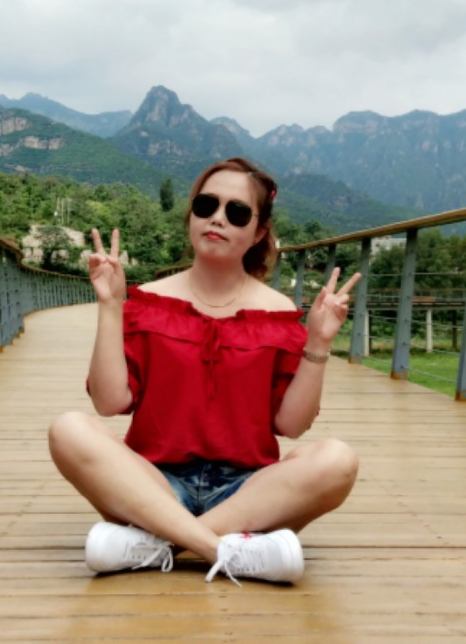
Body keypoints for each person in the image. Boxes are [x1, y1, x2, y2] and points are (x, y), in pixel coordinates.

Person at [48, 156, 361, 585]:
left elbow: (291, 425)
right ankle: (227, 550)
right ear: (192, 214)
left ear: (259, 231)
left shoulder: (277, 312)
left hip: (247, 493)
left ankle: (156, 542)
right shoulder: (149, 301)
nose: (218, 218)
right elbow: (108, 402)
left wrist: (319, 342)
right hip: (154, 483)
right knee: (68, 429)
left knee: (338, 460)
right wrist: (110, 305)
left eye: (237, 212)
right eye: (206, 205)